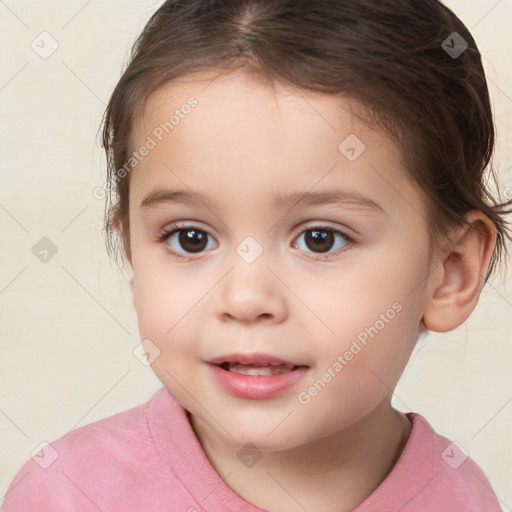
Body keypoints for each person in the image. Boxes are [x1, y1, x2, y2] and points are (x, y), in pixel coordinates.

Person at [3, 0, 510, 510]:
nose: (245, 298)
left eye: (320, 239)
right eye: (190, 238)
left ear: (450, 271)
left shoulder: (464, 500)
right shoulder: (67, 494)